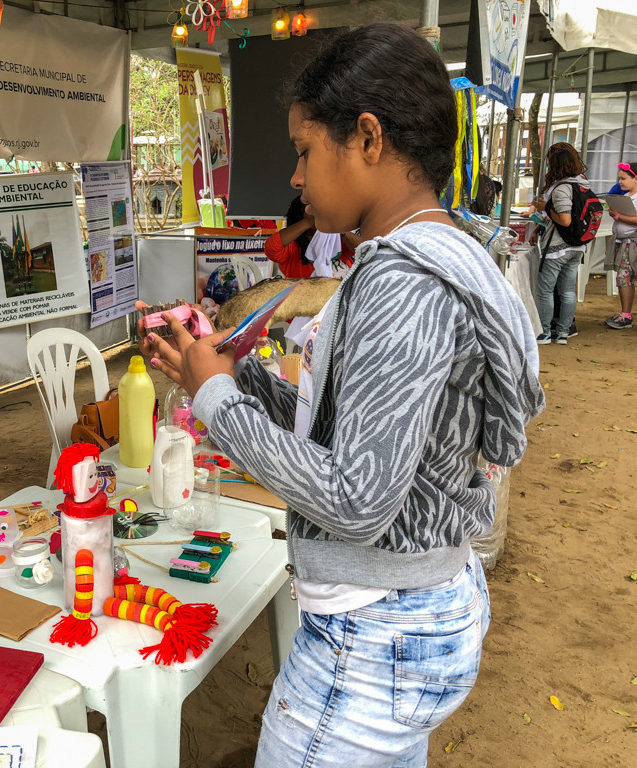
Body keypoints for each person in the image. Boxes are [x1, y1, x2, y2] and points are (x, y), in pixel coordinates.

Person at [139, 23, 543, 766]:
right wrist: (226, 374)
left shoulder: (402, 282)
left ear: (367, 138)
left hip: (374, 635)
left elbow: (358, 499)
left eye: (302, 150)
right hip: (404, 613)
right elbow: (351, 433)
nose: (295, 178)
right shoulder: (425, 256)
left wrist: (219, 403)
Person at [532, 143, 590, 345]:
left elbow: (563, 220)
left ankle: (545, 332)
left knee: (545, 290)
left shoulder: (560, 189)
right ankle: (564, 332)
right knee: (567, 291)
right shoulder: (583, 184)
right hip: (577, 246)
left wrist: (545, 208)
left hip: (557, 247)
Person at [605, 161, 637, 329]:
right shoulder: (625, 197)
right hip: (623, 241)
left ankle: (626, 315)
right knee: (626, 277)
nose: (620, 182)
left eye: (624, 178)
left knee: (623, 277)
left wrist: (618, 216)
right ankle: (626, 313)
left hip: (632, 242)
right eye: (619, 179)